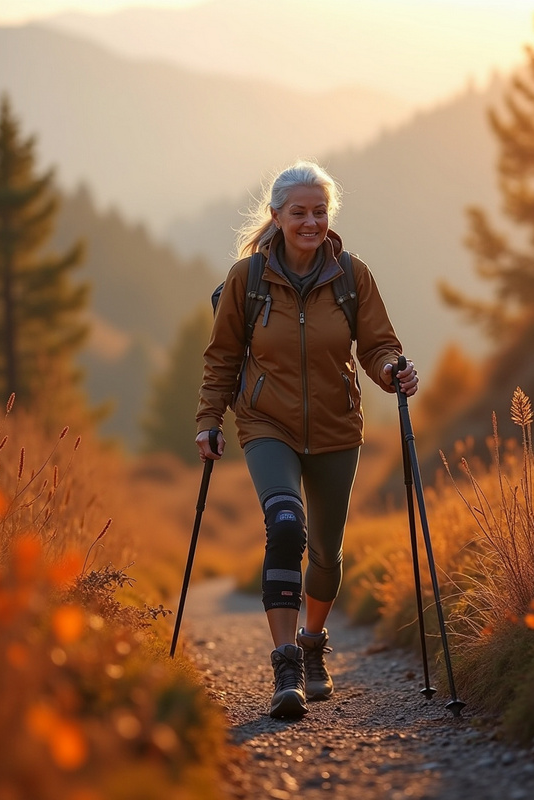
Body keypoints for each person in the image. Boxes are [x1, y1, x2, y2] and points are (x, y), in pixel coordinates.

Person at [195, 160, 418, 719]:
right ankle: (285, 659)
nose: (311, 222)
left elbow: (377, 344)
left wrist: (393, 369)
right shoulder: (247, 280)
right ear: (277, 217)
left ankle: (313, 641)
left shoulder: (349, 275)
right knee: (286, 523)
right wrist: (209, 420)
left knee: (326, 553)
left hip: (338, 428)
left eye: (320, 212)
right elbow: (222, 355)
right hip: (266, 423)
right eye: (300, 213)